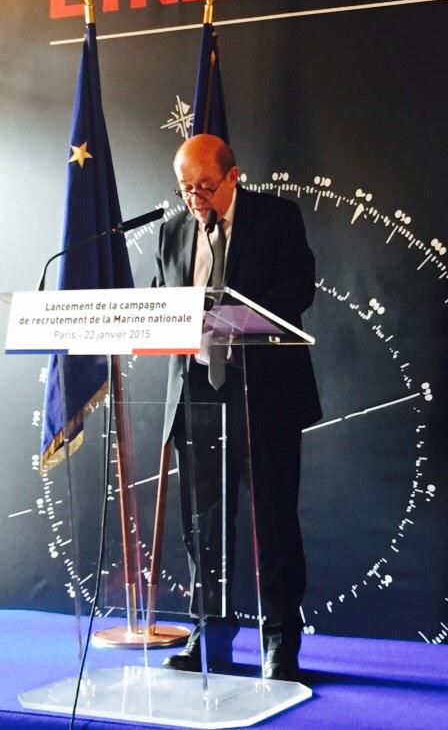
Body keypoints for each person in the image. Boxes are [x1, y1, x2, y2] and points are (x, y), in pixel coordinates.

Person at [153, 133, 321, 680]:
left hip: (263, 393)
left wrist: (230, 317)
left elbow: (299, 288)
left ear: (233, 176)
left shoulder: (276, 218)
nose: (195, 198)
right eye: (185, 188)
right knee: (203, 526)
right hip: (196, 394)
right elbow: (159, 298)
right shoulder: (173, 231)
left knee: (273, 522)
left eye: (205, 186)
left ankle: (280, 641)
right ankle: (209, 635)